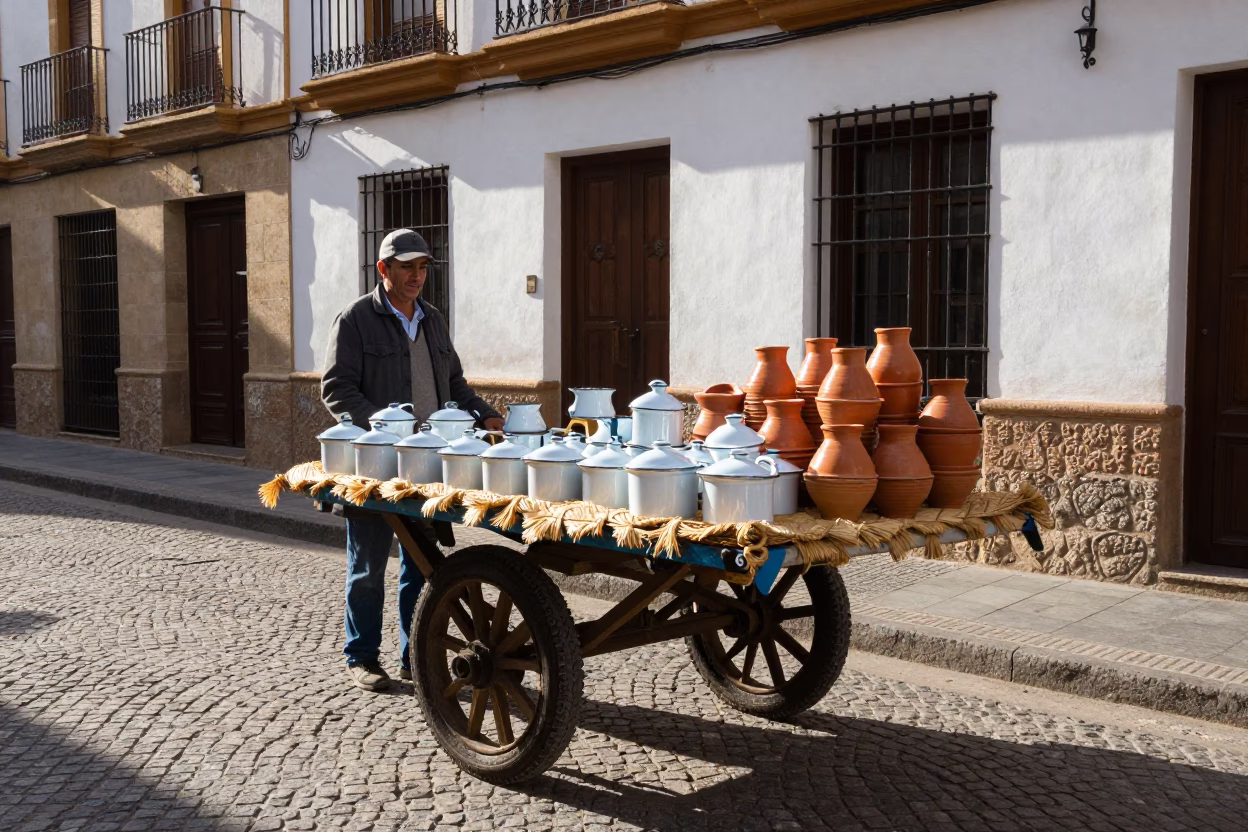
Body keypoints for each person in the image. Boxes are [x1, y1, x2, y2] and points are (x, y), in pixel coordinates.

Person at [322, 228, 503, 691]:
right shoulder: (356, 319)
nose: (416, 276)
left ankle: (412, 656)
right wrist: (384, 429)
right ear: (384, 269)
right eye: (406, 267)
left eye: (422, 267)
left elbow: (455, 384)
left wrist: (485, 414)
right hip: (375, 470)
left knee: (419, 565)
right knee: (366, 567)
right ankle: (361, 655)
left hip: (428, 467)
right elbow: (336, 389)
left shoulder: (433, 319)